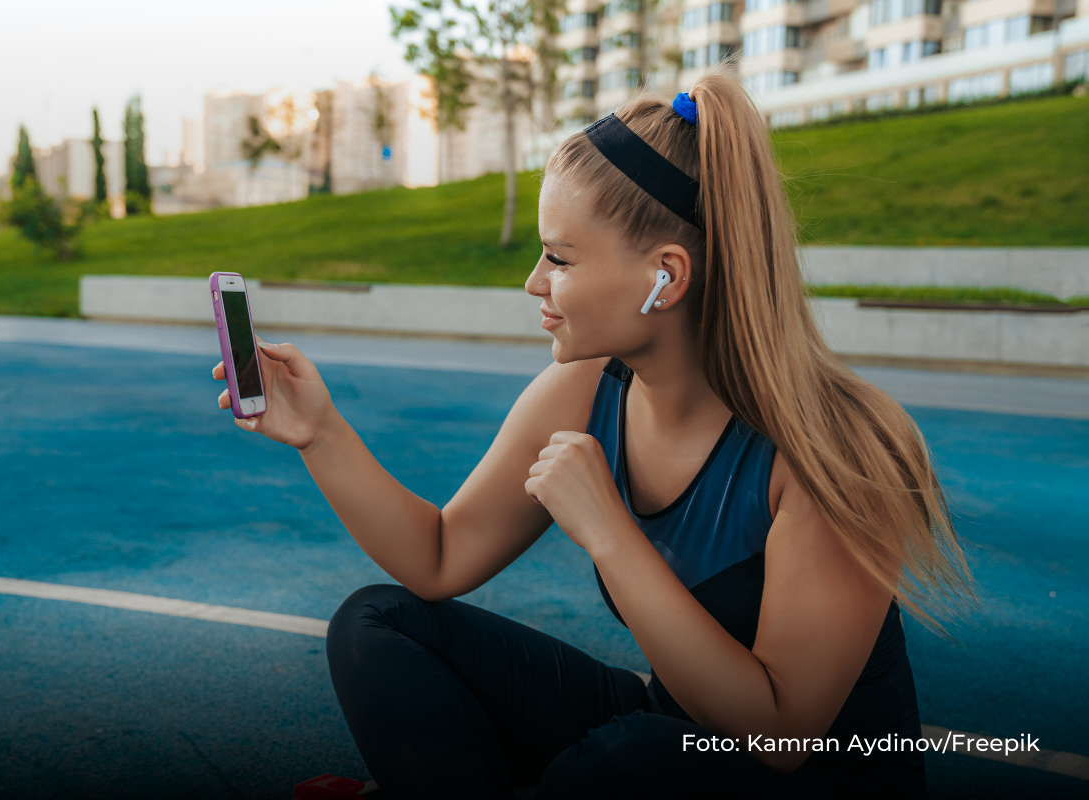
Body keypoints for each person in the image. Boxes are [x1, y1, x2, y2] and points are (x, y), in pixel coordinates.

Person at [212, 71, 973, 799]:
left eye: (560, 257)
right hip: (667, 734)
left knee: (616, 767)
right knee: (377, 624)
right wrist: (320, 433)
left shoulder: (836, 445)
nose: (534, 283)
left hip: (816, 780)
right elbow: (441, 557)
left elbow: (777, 737)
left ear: (665, 278)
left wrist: (610, 531)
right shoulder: (585, 391)